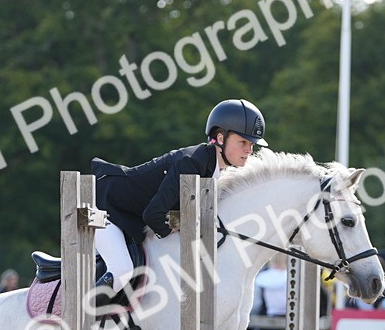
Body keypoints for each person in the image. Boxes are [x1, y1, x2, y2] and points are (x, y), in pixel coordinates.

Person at [91, 98, 267, 294]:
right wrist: (173, 228)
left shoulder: (213, 170)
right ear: (220, 138)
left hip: (129, 216)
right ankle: (78, 316)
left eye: (252, 144)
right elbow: (153, 215)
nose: (249, 150)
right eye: (243, 142)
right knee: (122, 271)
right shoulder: (190, 164)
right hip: (105, 206)